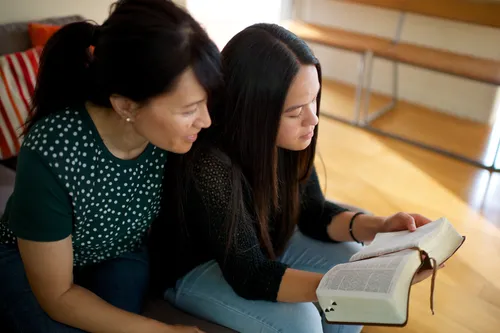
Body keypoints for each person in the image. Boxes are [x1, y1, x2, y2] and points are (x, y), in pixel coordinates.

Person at [150, 23, 441, 333]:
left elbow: (313, 211)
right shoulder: (210, 166)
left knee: (354, 259)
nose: (312, 118)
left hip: (265, 243)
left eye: (314, 99)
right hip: (199, 266)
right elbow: (250, 274)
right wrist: (347, 286)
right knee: (302, 320)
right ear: (253, 112)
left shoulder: (289, 141)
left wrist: (381, 227)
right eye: (295, 111)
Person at [0, 0, 221, 332]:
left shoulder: (174, 137)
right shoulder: (53, 150)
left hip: (118, 254)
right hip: (27, 260)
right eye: (190, 109)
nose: (205, 120)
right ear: (126, 105)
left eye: (206, 101)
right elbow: (58, 295)